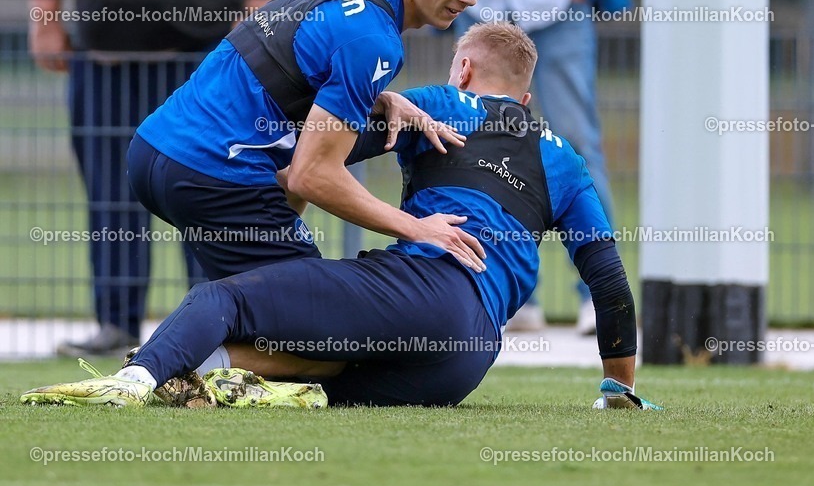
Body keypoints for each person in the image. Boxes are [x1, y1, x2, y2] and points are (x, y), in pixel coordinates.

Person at [21, 22, 659, 411]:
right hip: (464, 360)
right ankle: (199, 376)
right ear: (526, 97)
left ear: (463, 69)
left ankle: (133, 379)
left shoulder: (444, 104)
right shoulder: (569, 163)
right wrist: (616, 388)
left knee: (224, 297)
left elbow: (313, 156)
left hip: (425, 291)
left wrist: (265, 199)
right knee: (314, 371)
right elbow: (608, 282)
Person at [123, 0, 506, 298]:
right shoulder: (375, 43)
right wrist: (418, 228)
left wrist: (381, 99)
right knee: (312, 314)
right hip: (212, 174)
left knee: (256, 308)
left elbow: (291, 63)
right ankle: (180, 343)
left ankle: (203, 331)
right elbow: (311, 175)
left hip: (152, 149)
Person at [28, 0, 292, 357]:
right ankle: (116, 324)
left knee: (212, 192)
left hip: (206, 65)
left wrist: (256, 24)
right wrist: (44, 19)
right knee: (111, 198)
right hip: (105, 63)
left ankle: (219, 325)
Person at [418, 0, 636, 335]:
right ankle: (501, 295)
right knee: (470, 144)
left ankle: (600, 299)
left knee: (576, 144)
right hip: (479, 5)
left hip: (559, 0)